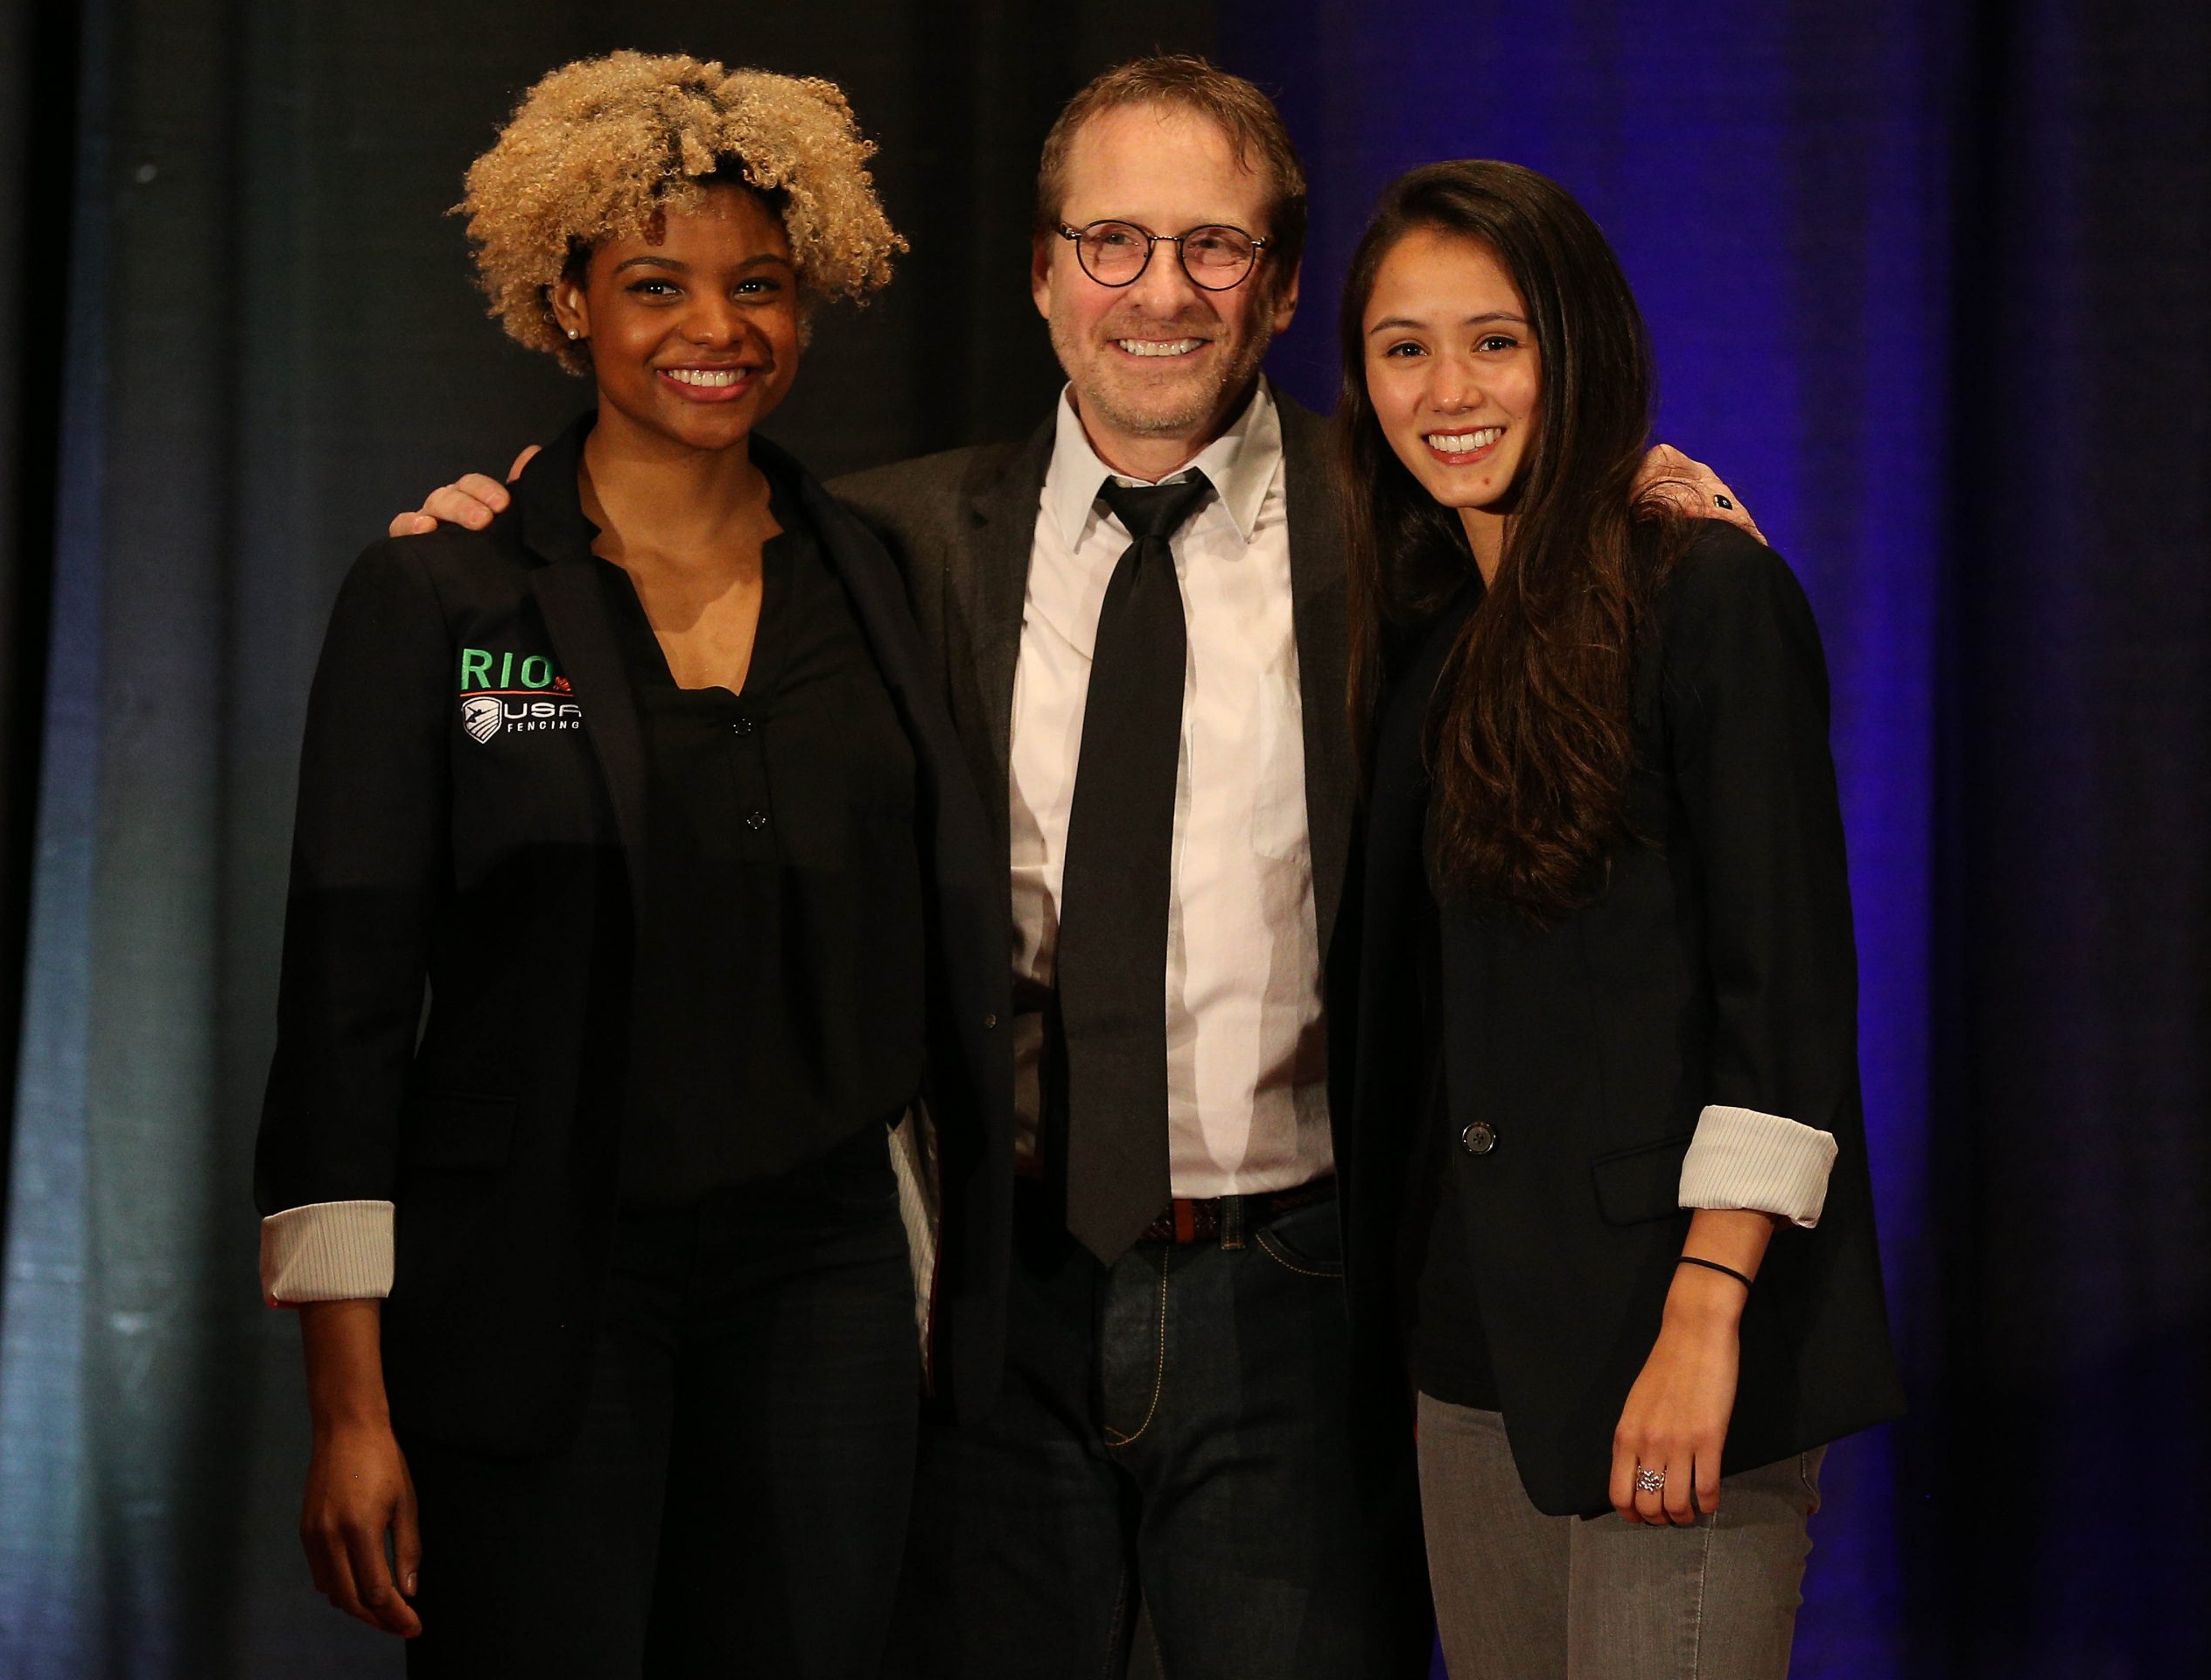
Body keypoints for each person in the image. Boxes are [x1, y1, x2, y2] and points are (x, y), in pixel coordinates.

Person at [395, 59, 1754, 1680]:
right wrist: (497, 520)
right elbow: (649, 530)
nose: (1159, 291)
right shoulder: (881, 545)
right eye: (1111, 241)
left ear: (1283, 283)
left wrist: (1628, 493)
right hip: (985, 1311)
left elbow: (1552, 530)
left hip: (1302, 1308)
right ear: (1043, 273)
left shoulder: (1401, 533)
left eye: (1213, 247)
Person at [254, 52, 1011, 1677]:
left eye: (762, 286)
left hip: (822, 1284)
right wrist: (347, 1408)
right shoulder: (448, 598)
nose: (714, 329)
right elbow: (345, 1008)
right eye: (655, 284)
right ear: (566, 298)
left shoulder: (872, 577)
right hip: (542, 1288)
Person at [1336, 158, 1906, 1679]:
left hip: (1678, 1341)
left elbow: (1784, 1001)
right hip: (1470, 1361)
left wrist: (1705, 1314)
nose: (1449, 389)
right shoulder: (1419, 627)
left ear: (1576, 347)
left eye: (1497, 339)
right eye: (1405, 347)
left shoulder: (1706, 592)